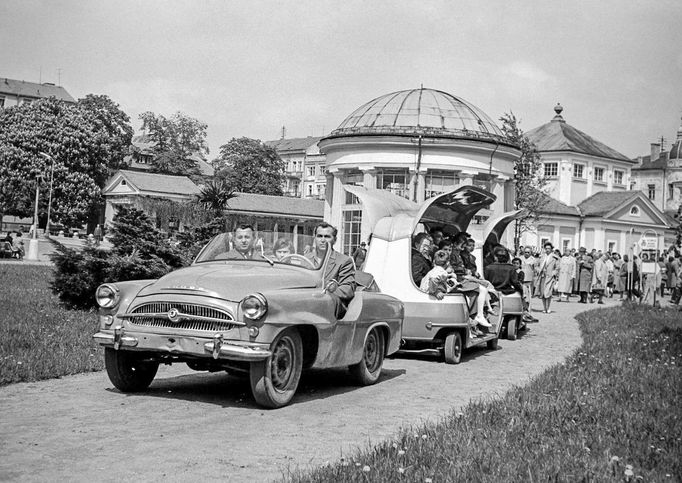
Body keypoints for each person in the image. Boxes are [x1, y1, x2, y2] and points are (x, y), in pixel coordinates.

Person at [305, 222, 356, 319]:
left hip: (329, 309)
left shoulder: (344, 261)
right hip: (305, 303)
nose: (323, 240)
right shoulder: (305, 259)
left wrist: (330, 289)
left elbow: (347, 289)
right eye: (319, 236)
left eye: (327, 237)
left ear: (335, 240)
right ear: (314, 238)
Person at [537, 242, 559, 313]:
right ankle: (544, 307)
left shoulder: (554, 257)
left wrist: (553, 273)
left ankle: (548, 307)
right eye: (546, 248)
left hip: (550, 277)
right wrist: (538, 270)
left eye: (549, 248)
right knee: (543, 293)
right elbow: (536, 265)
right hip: (542, 276)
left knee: (548, 293)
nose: (547, 250)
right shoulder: (542, 257)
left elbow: (557, 267)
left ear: (551, 249)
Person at [520, 247, 537, 312]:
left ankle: (528, 307)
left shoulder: (533, 259)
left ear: (530, 253)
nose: (526, 253)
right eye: (525, 252)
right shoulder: (520, 258)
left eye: (528, 252)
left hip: (529, 279)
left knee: (529, 294)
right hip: (521, 278)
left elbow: (535, 269)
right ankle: (522, 307)